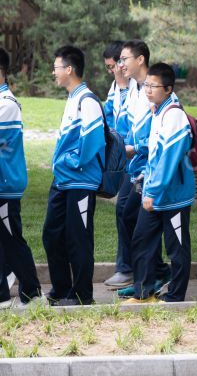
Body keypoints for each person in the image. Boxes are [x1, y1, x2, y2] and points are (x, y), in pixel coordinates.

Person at [124, 63, 194, 303]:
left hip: (173, 196)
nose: (148, 90)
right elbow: (155, 155)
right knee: (141, 240)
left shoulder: (174, 115)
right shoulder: (158, 112)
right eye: (147, 85)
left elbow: (168, 159)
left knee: (177, 247)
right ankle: (142, 293)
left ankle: (176, 297)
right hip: (154, 192)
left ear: (168, 89)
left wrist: (152, 190)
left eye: (153, 86)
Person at [44, 46, 106, 306]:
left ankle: (82, 296)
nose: (53, 72)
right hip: (63, 181)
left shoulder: (87, 100)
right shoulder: (72, 99)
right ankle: (62, 289)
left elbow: (92, 141)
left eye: (56, 67)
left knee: (78, 238)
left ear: (69, 69)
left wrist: (70, 161)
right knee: (52, 233)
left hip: (80, 182)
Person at [112, 40, 171, 297]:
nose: (120, 64)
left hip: (146, 166)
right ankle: (146, 273)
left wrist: (135, 148)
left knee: (136, 219)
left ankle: (151, 275)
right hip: (132, 164)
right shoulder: (136, 88)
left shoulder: (155, 91)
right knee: (127, 215)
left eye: (124, 59)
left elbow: (160, 135)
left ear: (140, 60)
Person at [0, 48, 42, 308]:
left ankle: (33, 292)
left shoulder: (7, 105)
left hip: (5, 185)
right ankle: (2, 294)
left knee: (12, 239)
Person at [102, 40, 137, 288]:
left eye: (113, 65)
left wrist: (123, 85)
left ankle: (131, 268)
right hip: (121, 158)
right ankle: (130, 267)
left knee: (126, 211)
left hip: (135, 158)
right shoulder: (115, 87)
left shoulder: (135, 88)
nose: (113, 70)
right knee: (126, 211)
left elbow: (129, 121)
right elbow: (108, 115)